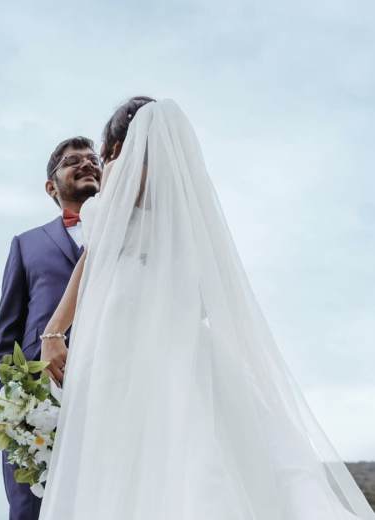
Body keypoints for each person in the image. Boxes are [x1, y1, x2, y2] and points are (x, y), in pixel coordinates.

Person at [38, 97, 375, 519]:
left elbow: (90, 266)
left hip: (123, 340)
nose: (105, 162)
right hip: (184, 342)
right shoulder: (187, 209)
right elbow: (199, 298)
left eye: (107, 151)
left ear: (119, 145)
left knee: (132, 455)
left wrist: (54, 330)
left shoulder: (112, 197)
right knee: (201, 446)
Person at [0, 136, 102, 520]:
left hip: (112, 390)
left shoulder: (137, 234)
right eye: (74, 160)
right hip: (41, 405)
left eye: (93, 159)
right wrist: (14, 410)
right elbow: (5, 337)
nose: (87, 163)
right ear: (51, 186)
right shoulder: (26, 244)